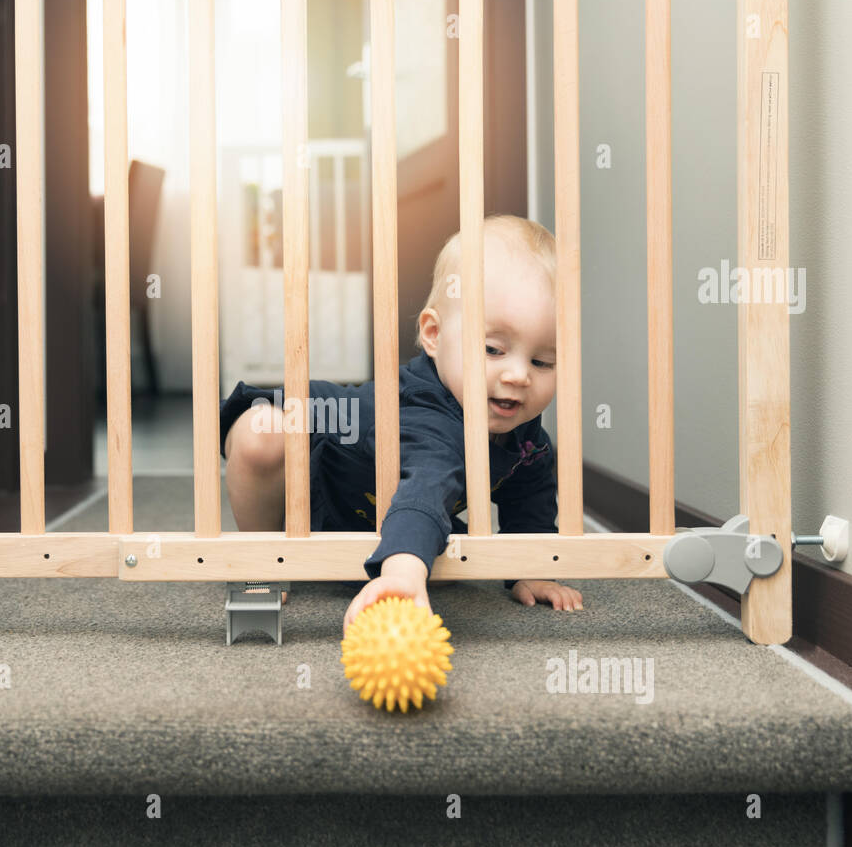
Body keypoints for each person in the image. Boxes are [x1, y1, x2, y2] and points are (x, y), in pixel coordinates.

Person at [219, 214, 584, 632]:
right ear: (433, 334)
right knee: (259, 433)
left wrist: (531, 567)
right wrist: (403, 574)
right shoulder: (428, 418)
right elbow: (425, 487)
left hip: (365, 506)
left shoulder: (522, 437)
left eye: (542, 361)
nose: (519, 376)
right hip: (315, 459)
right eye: (493, 349)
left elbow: (530, 491)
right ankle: (262, 559)